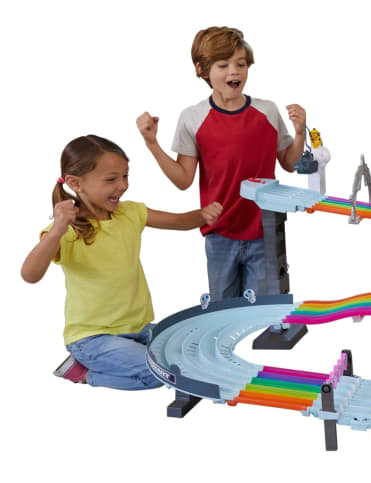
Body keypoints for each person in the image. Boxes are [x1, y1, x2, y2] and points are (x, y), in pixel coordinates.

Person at [21, 135, 222, 390]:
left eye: (125, 176)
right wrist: (57, 230)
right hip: (92, 338)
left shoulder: (129, 213)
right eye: (111, 179)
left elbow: (178, 222)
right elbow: (30, 274)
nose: (123, 185)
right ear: (75, 183)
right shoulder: (67, 230)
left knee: (191, 355)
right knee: (161, 374)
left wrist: (202, 214)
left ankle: (129, 357)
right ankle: (83, 373)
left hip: (139, 329)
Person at [136, 26, 306, 300]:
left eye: (241, 64)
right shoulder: (193, 117)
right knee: (223, 314)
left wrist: (299, 134)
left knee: (260, 313)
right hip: (219, 235)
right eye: (223, 65)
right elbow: (183, 180)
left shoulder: (267, 111)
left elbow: (289, 162)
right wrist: (152, 143)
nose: (234, 72)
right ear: (202, 69)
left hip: (264, 233)